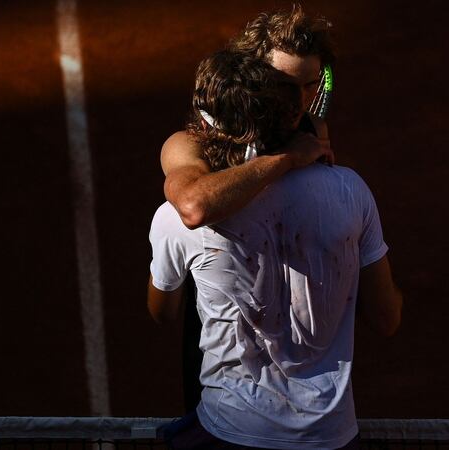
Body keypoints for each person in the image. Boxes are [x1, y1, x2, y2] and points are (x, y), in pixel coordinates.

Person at [148, 49, 403, 449]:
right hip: (332, 437)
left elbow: (162, 311)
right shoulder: (351, 191)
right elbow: (386, 318)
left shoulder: (172, 219)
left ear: (208, 125)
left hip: (229, 431)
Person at [161, 4, 336, 229]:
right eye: (284, 86)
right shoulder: (186, 144)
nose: (299, 100)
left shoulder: (314, 130)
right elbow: (194, 208)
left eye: (310, 85)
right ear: (252, 77)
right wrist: (288, 158)